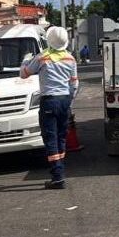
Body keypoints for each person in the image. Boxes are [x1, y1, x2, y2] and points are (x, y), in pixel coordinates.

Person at [21, 26, 78, 189]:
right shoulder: (70, 59)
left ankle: (58, 177)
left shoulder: (42, 57)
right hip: (65, 100)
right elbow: (74, 84)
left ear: (49, 40)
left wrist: (25, 61)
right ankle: (60, 171)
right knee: (61, 137)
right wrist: (69, 101)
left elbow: (24, 74)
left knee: (50, 138)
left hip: (49, 101)